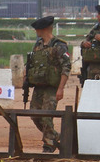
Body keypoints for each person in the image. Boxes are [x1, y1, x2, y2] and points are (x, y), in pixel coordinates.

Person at [25, 15, 71, 153]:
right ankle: (54, 135)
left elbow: (66, 67)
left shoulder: (59, 46)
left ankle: (49, 145)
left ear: (44, 29)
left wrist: (60, 89)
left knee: (47, 116)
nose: (36, 31)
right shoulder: (38, 45)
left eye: (37, 29)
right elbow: (31, 64)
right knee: (34, 115)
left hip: (51, 88)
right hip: (38, 87)